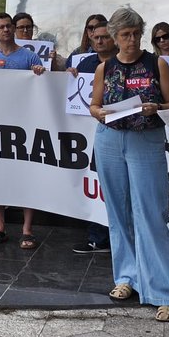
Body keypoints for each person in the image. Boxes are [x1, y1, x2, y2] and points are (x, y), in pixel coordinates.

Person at [88, 7, 169, 322]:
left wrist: (155, 107)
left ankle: (163, 292)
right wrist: (99, 113)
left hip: (146, 140)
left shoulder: (156, 64)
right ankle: (126, 277)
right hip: (110, 139)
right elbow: (95, 104)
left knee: (151, 213)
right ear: (114, 36)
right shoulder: (106, 67)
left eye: (135, 34)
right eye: (124, 35)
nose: (130, 40)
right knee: (117, 211)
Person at [0, 13, 46, 249]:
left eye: (9, 26)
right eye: (1, 27)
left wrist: (40, 73)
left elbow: (43, 88)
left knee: (26, 176)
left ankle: (27, 229)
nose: (6, 30)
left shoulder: (30, 57)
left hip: (24, 126)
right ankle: (0, 227)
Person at [70, 20, 117, 255]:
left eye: (104, 37)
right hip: (87, 134)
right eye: (95, 37)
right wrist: (68, 77)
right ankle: (97, 237)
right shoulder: (85, 63)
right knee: (95, 183)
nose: (99, 41)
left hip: (117, 133)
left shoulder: (124, 62)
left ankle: (118, 237)